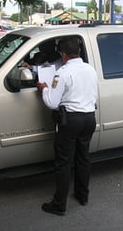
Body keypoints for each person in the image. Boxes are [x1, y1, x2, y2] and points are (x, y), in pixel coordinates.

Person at [36, 37, 98, 216]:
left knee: (63, 163)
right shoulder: (90, 69)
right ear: (78, 52)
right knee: (83, 157)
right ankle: (82, 196)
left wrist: (44, 89)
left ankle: (59, 204)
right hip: (89, 119)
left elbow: (52, 103)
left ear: (63, 55)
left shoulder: (62, 73)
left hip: (71, 120)